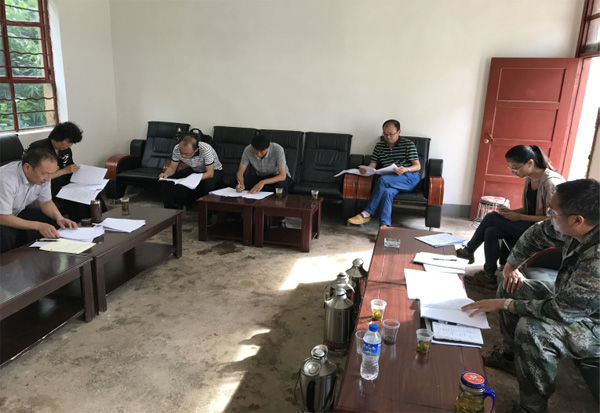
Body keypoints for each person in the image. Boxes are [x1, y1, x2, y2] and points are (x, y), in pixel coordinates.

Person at [461, 179, 599, 413]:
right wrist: (511, 266)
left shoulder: (597, 259)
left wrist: (505, 304)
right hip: (572, 300)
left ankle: (531, 409)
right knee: (510, 286)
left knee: (532, 331)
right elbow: (538, 232)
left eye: (553, 212)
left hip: (592, 322)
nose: (548, 215)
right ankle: (510, 358)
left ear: (577, 220)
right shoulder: (581, 227)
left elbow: (562, 311)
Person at [458, 145, 564, 290]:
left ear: (530, 163)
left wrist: (518, 216)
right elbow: (529, 209)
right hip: (532, 225)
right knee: (491, 231)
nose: (513, 171)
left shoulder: (551, 182)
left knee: (492, 217)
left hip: (546, 232)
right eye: (511, 168)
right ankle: (488, 276)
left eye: (515, 168)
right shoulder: (529, 178)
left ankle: (468, 251)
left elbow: (551, 219)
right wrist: (510, 212)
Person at [25, 121, 107, 223]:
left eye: (72, 143)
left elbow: (70, 168)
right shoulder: (39, 149)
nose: (69, 145)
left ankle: (103, 220)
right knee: (78, 198)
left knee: (93, 194)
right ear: (58, 137)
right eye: (68, 142)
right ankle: (81, 225)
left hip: (65, 184)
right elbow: (36, 176)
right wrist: (64, 171)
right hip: (47, 187)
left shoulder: (65, 150)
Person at [0, 148, 78, 253]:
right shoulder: (6, 180)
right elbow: (3, 217)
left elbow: (45, 202)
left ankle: (46, 253)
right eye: (45, 174)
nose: (49, 179)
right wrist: (38, 226)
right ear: (27, 167)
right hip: (3, 216)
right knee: (6, 233)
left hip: (14, 211)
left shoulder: (44, 177)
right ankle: (9, 261)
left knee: (50, 219)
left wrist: (60, 218)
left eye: (51, 174)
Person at [347, 119, 420, 231]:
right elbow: (372, 165)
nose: (388, 137)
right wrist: (365, 170)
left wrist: (406, 169)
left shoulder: (408, 144)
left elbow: (417, 166)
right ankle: (384, 227)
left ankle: (366, 213)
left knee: (383, 180)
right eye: (385, 134)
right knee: (387, 192)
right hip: (391, 179)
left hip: (409, 178)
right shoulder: (379, 146)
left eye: (391, 134)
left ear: (399, 132)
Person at [160, 132, 223, 209]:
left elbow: (210, 173)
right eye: (181, 152)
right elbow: (172, 168)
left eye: (187, 154)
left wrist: (192, 179)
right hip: (194, 169)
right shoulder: (177, 148)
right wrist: (166, 174)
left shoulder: (206, 149)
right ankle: (170, 209)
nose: (183, 156)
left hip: (214, 171)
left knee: (208, 183)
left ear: (196, 150)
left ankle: (207, 211)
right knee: (167, 180)